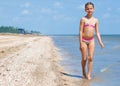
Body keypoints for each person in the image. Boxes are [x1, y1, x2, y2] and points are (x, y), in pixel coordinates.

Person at [79, 2, 104, 80]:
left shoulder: (96, 20)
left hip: (91, 40)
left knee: (91, 58)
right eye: (87, 8)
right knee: (84, 58)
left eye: (91, 8)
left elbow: (97, 32)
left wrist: (100, 42)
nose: (89, 10)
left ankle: (89, 74)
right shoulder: (83, 19)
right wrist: (80, 43)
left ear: (93, 9)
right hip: (83, 40)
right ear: (85, 10)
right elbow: (80, 31)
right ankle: (83, 71)